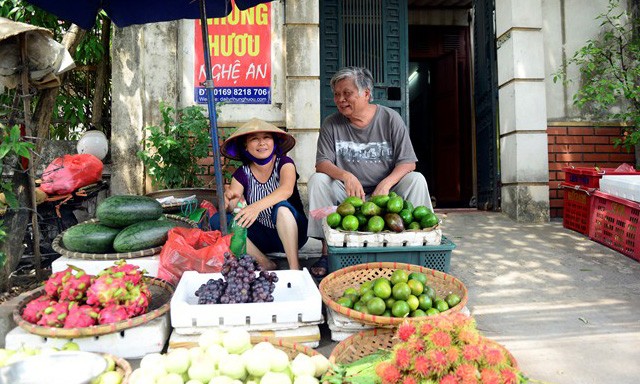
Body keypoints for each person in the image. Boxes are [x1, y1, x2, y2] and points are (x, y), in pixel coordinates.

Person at [307, 66, 433, 278]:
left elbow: (408, 162)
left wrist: (386, 183)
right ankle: (327, 252)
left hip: (386, 195)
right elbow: (322, 163)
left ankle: (417, 245)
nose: (340, 99)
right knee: (318, 180)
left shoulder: (390, 118)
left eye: (347, 93)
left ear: (366, 93)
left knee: (416, 179)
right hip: (349, 196)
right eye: (337, 94)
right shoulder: (331, 123)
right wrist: (345, 175)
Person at [210, 118, 308, 271]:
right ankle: (264, 261)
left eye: (266, 138)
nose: (262, 143)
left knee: (282, 208)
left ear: (274, 143)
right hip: (260, 238)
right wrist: (228, 201)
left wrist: (255, 207)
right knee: (218, 219)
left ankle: (295, 268)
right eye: (254, 139)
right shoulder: (242, 173)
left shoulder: (285, 163)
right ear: (246, 147)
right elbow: (232, 206)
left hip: (293, 235)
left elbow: (286, 190)